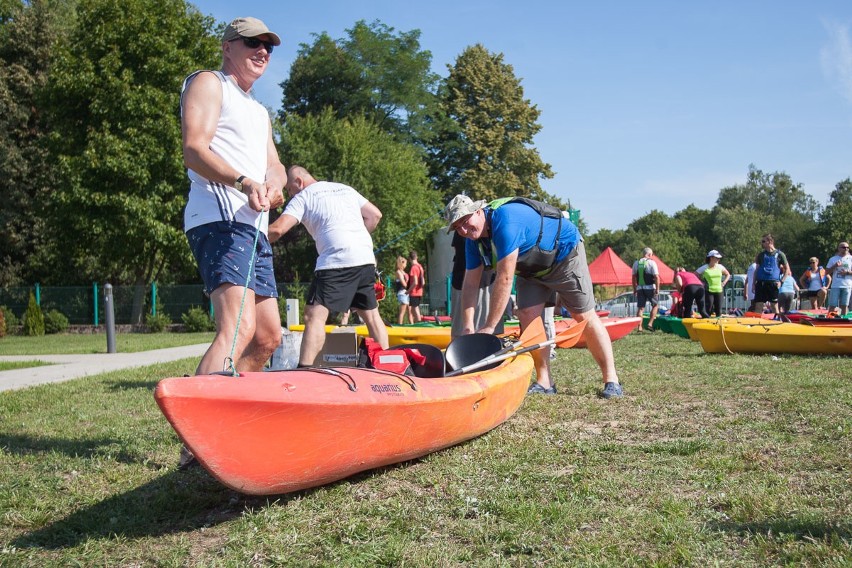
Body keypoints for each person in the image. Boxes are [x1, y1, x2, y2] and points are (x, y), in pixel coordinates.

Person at [179, 17, 286, 469]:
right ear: (228, 47)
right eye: (253, 43)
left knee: (267, 336)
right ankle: (196, 446)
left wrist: (274, 186)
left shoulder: (258, 110)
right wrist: (244, 182)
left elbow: (276, 167)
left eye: (269, 46)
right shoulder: (208, 83)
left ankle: (229, 426)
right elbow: (194, 147)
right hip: (220, 220)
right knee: (237, 329)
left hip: (254, 227)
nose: (262, 50)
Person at [444, 194, 622, 399]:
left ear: (478, 211)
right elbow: (470, 283)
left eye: (465, 222)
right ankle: (545, 382)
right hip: (530, 269)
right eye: (457, 228)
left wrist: (489, 327)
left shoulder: (506, 221)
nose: (464, 231)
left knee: (583, 316)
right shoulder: (472, 241)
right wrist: (468, 326)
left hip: (563, 256)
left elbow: (504, 278)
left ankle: (612, 380)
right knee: (527, 315)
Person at [267, 165, 389, 364]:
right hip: (365, 258)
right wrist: (356, 239)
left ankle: (305, 371)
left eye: (289, 189)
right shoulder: (345, 189)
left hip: (336, 262)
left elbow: (279, 229)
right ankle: (388, 366)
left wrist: (251, 238)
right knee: (372, 316)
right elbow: (375, 215)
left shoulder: (304, 197)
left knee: (314, 317)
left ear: (299, 181)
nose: (290, 194)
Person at [450, 231, 497, 337]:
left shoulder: (480, 226)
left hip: (483, 281)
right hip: (462, 281)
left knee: (483, 330)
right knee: (461, 332)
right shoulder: (463, 229)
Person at [752, 234, 789, 315]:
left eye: (763, 241)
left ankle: (777, 323)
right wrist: (753, 284)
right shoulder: (761, 255)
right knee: (758, 305)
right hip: (761, 284)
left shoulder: (780, 254)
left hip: (773, 284)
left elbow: (787, 270)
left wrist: (781, 282)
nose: (762, 243)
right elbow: (756, 270)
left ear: (770, 241)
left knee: (774, 306)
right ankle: (757, 324)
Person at [631, 248, 660, 330]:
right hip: (650, 287)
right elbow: (656, 276)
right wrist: (657, 289)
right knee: (655, 305)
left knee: (641, 307)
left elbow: (633, 277)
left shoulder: (636, 263)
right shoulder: (652, 262)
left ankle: (639, 327)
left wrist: (634, 289)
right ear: (650, 254)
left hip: (640, 288)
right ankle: (650, 324)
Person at [696, 250, 731, 316]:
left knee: (718, 310)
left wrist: (724, 283)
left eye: (719, 258)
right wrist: (701, 283)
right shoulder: (705, 267)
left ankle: (718, 324)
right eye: (716, 258)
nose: (718, 259)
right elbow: (695, 274)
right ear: (711, 258)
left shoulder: (720, 267)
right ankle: (707, 323)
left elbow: (728, 274)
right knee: (708, 309)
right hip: (709, 291)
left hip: (719, 290)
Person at [826, 241, 852, 316]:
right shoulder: (833, 259)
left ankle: (843, 320)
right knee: (832, 305)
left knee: (844, 305)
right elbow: (826, 272)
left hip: (847, 285)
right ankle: (830, 320)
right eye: (844, 247)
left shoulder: (851, 258)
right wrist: (835, 266)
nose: (846, 249)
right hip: (836, 285)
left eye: (847, 247)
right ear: (839, 248)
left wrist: (847, 273)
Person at [407, 250, 425, 322]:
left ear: (409, 258)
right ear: (416, 257)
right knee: (414, 308)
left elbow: (415, 282)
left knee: (414, 308)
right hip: (420, 290)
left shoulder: (414, 268)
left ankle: (419, 323)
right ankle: (418, 322)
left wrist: (408, 291)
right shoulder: (420, 266)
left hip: (414, 291)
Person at [394, 255, 410, 324]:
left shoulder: (404, 272)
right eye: (405, 263)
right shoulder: (398, 272)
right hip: (402, 293)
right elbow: (404, 284)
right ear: (402, 263)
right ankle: (399, 325)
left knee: (410, 311)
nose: (406, 265)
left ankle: (412, 325)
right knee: (402, 312)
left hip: (407, 292)